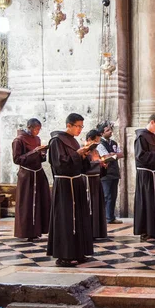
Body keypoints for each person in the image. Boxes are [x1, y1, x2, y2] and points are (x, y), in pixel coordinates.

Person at [46, 113, 93, 267]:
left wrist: (85, 156)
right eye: (78, 126)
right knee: (65, 220)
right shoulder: (56, 141)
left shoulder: (73, 141)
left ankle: (78, 252)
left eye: (81, 126)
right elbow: (59, 164)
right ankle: (64, 256)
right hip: (65, 184)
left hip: (76, 182)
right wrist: (76, 154)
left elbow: (80, 165)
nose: (80, 129)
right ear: (69, 125)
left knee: (79, 219)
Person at [12, 118, 51, 241]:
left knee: (41, 201)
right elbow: (17, 159)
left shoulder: (37, 139)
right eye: (36, 129)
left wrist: (42, 154)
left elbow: (39, 157)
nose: (37, 132)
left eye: (39, 129)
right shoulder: (19, 140)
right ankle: (26, 231)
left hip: (38, 173)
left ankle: (38, 229)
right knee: (27, 202)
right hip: (27, 174)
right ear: (29, 127)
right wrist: (34, 151)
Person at [134, 113, 155, 240]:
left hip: (154, 173)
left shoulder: (153, 137)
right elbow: (140, 156)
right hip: (145, 174)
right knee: (146, 202)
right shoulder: (141, 136)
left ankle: (154, 230)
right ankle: (145, 231)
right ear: (152, 122)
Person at [96, 121, 123, 224]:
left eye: (110, 130)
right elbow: (105, 157)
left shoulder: (114, 143)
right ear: (102, 133)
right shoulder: (100, 144)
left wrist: (113, 155)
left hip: (114, 172)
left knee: (113, 196)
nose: (111, 132)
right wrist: (113, 155)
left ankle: (110, 217)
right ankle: (103, 217)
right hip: (105, 173)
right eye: (108, 130)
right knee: (106, 195)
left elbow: (121, 154)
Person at [84, 130, 107, 239]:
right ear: (89, 139)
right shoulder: (83, 150)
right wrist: (97, 163)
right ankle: (89, 231)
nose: (97, 144)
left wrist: (103, 166)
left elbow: (98, 164)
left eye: (98, 142)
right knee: (89, 206)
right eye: (95, 141)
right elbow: (83, 166)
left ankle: (97, 231)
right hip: (87, 182)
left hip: (96, 181)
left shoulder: (96, 152)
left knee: (97, 205)